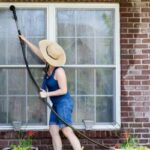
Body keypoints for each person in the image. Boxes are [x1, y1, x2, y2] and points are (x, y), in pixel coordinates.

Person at [19, 35, 82, 150]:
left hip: (64, 103)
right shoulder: (49, 65)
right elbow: (38, 52)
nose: (44, 57)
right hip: (56, 104)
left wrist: (46, 94)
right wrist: (25, 40)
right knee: (53, 130)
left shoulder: (59, 71)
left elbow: (64, 90)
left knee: (67, 130)